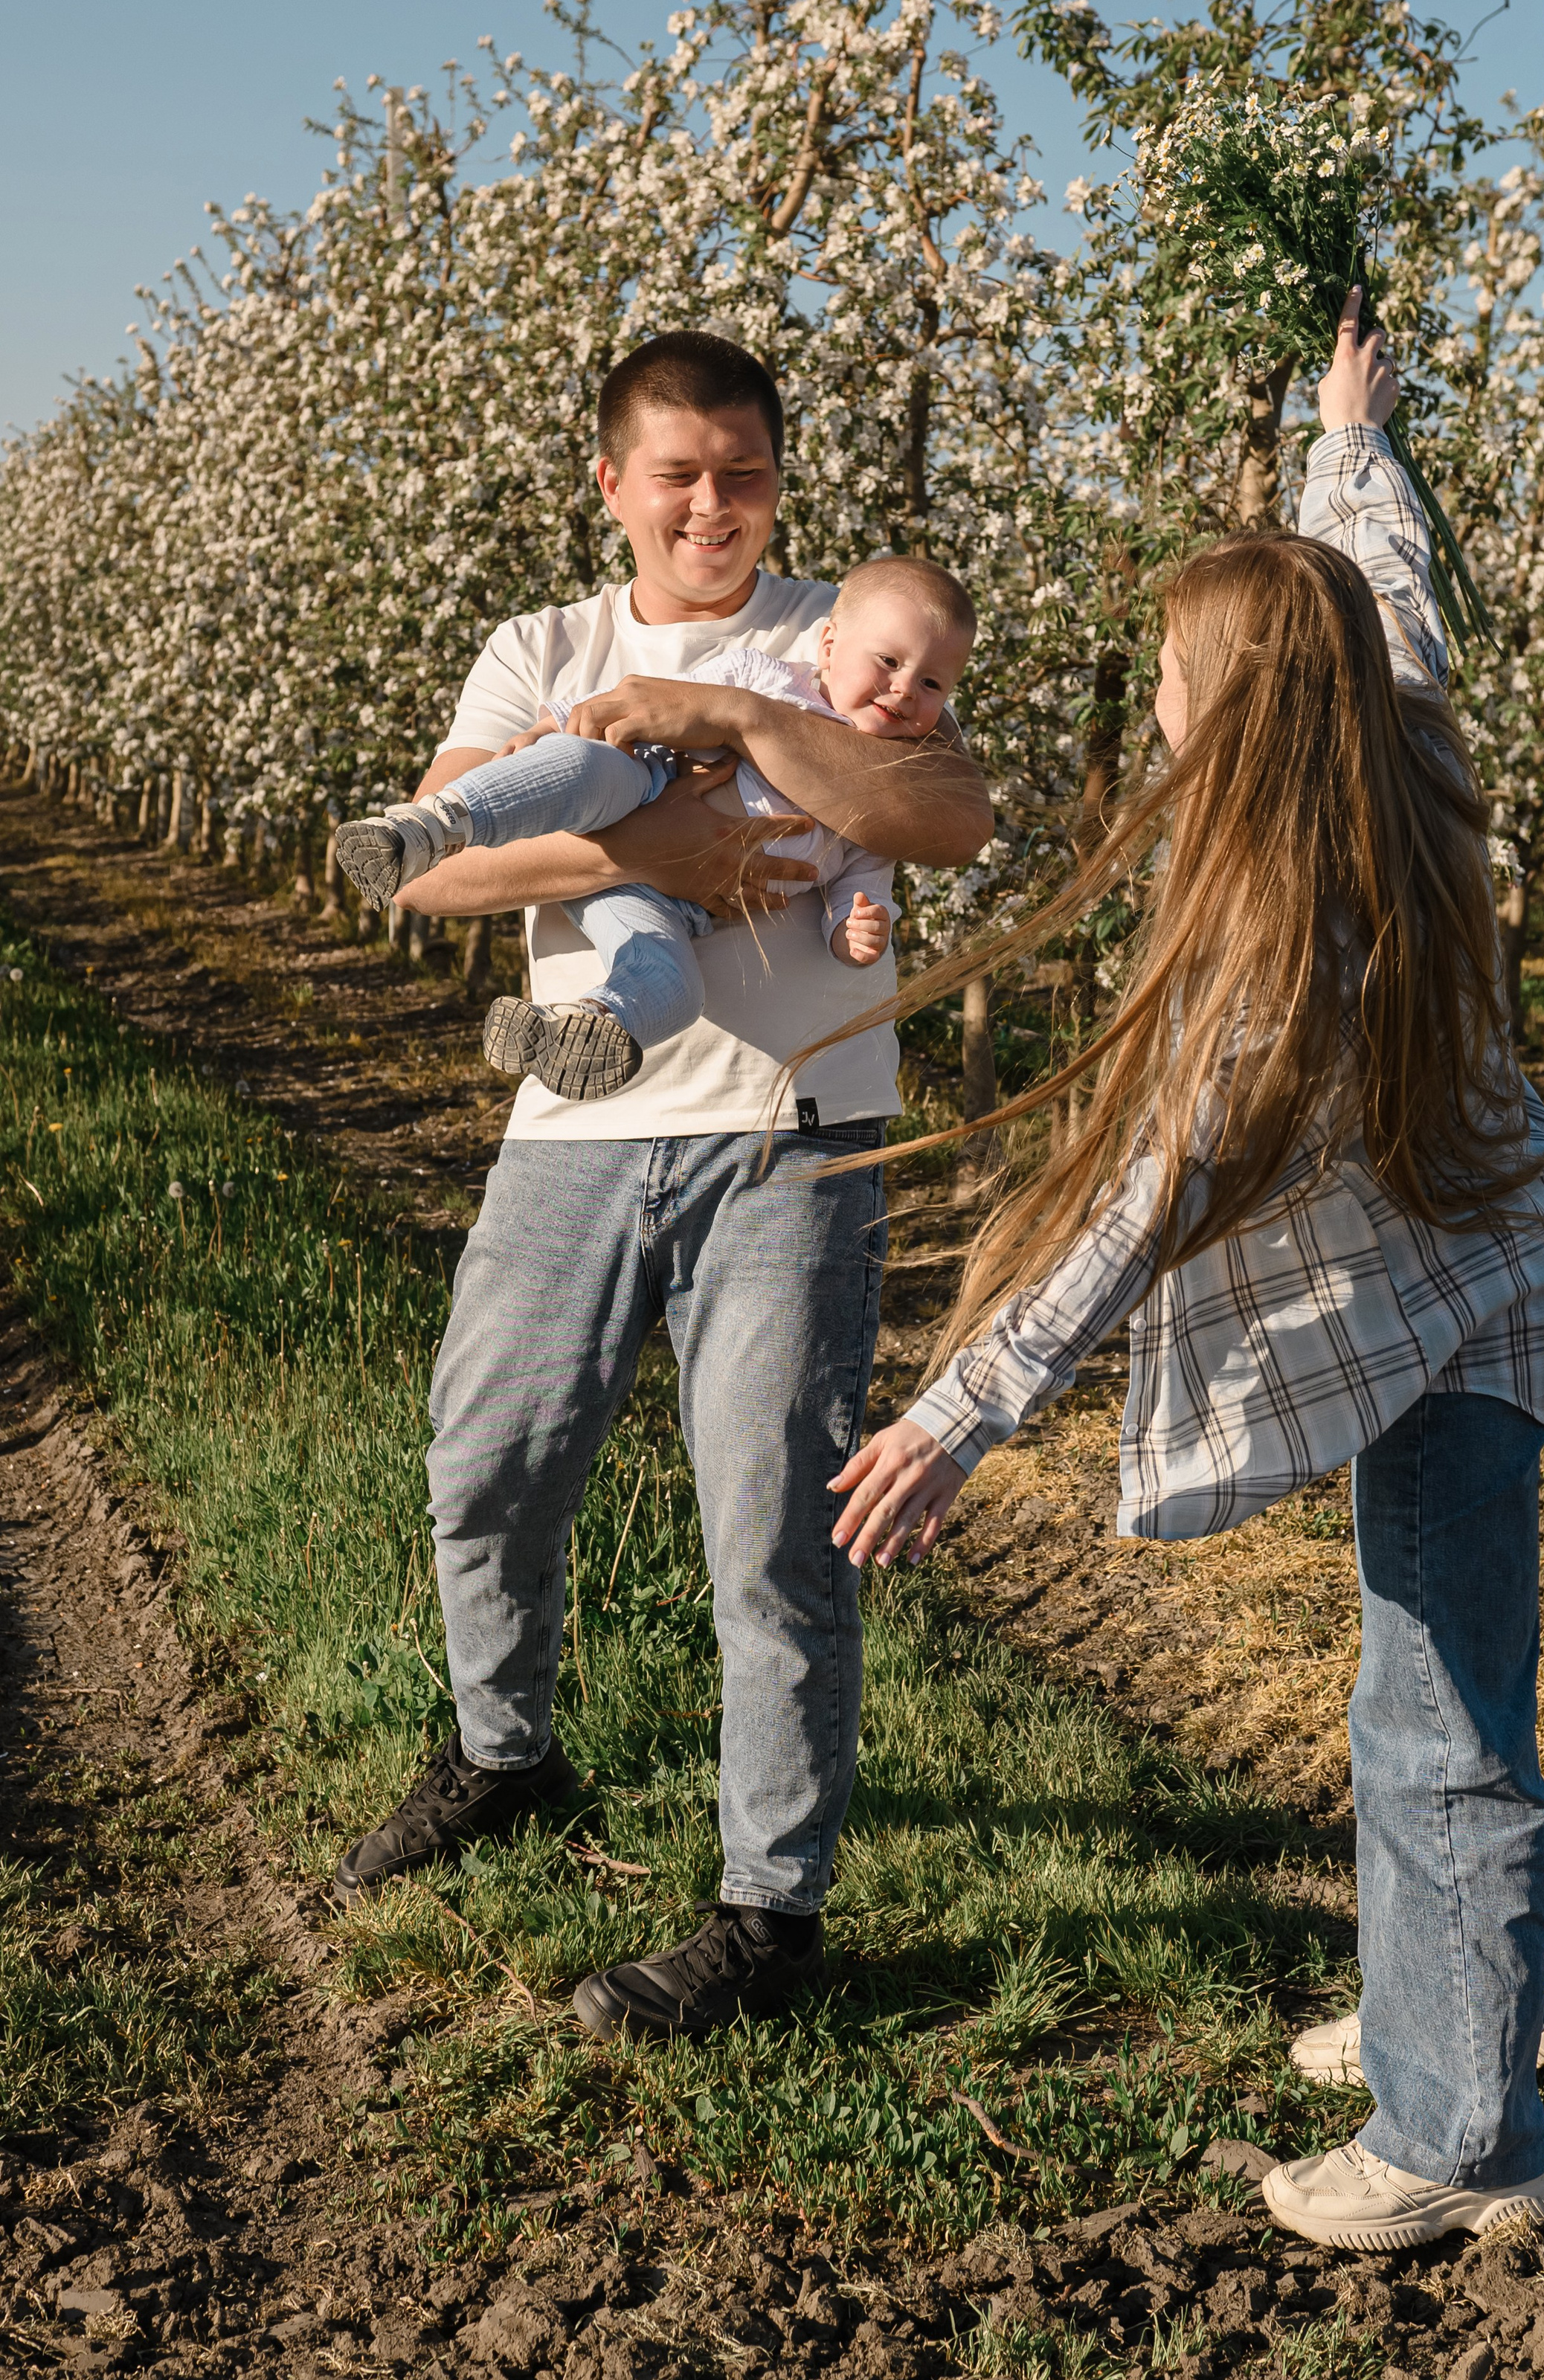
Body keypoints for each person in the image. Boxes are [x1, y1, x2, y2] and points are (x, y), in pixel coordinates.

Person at [826, 293, 1544, 2249]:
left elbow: (1127, 1209)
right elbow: (1385, 593)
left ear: (1243, 712)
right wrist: (1349, 441)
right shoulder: (1397, 745)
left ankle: (1463, 2144)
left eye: (1176, 679)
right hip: (1479, 1276)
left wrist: (957, 1409)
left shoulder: (1275, 952)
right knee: (1430, 1693)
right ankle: (1464, 2020)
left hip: (1469, 1307)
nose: (1152, 705)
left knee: (1437, 1717)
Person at [328, 331, 994, 2047]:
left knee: (769, 1525)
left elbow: (944, 809)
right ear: (612, 481)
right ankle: (504, 1753)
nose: (714, 503)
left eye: (746, 470)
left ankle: (768, 1913)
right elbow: (437, 860)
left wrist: (738, 718)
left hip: (786, 1130)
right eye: (679, 472)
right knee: (487, 1460)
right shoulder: (542, 648)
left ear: (780, 478)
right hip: (572, 1128)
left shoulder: (851, 631)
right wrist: (648, 856)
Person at [332, 555, 975, 1101]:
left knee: (673, 985)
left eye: (932, 683)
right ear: (829, 645)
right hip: (649, 780)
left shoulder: (892, 779)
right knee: (583, 763)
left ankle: (579, 1026)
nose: (903, 690)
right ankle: (433, 824)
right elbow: (646, 703)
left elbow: (868, 884)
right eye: (888, 662)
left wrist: (854, 929)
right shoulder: (765, 677)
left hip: (673, 912)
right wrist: (549, 727)